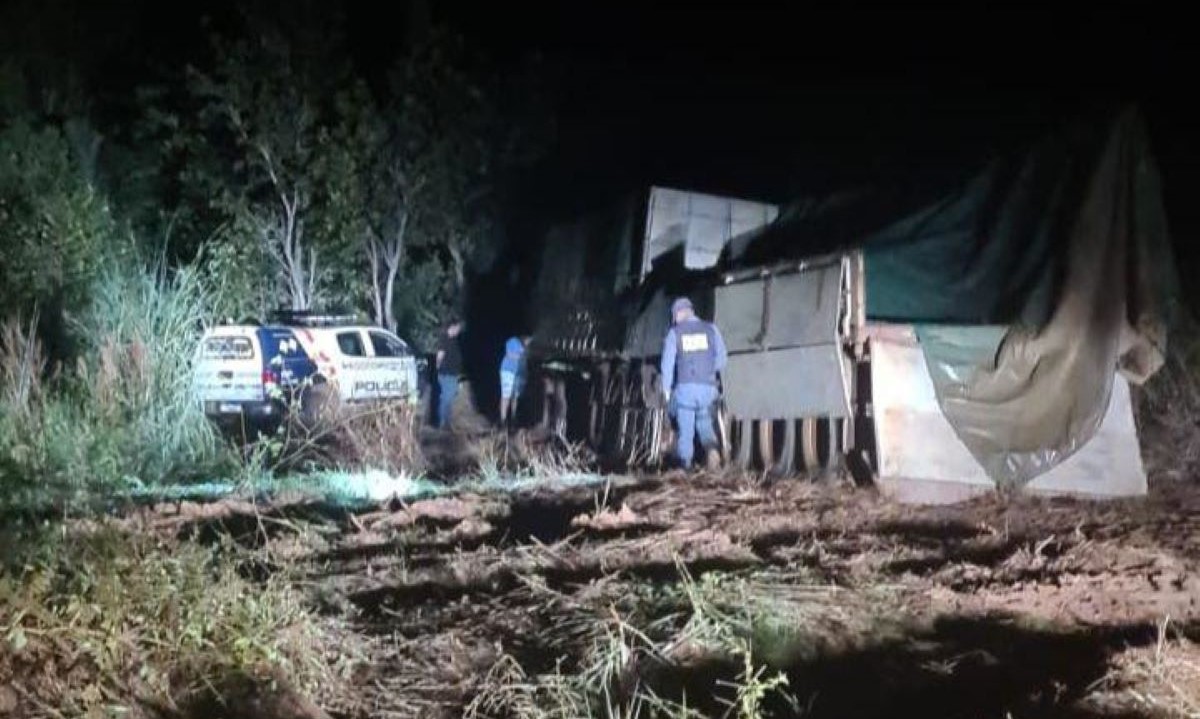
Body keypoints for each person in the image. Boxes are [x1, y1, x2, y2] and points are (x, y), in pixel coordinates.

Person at [660, 297, 727, 469]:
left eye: (674, 316)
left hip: (686, 390)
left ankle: (686, 464)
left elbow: (667, 364)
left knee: (686, 428)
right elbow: (722, 359)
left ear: (678, 314)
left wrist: (666, 390)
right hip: (708, 389)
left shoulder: (675, 333)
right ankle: (712, 449)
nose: (674, 320)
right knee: (704, 421)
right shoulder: (711, 329)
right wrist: (708, 373)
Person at [435, 320, 464, 429]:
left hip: (453, 373)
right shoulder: (444, 339)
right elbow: (440, 355)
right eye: (458, 328)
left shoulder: (454, 340)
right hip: (446, 373)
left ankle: (446, 421)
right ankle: (443, 422)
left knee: (449, 398)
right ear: (452, 327)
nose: (459, 331)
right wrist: (438, 368)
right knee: (446, 398)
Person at [498, 334, 531, 426]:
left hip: (519, 374)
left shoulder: (526, 349)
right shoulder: (512, 341)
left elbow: (525, 362)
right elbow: (510, 354)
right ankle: (503, 420)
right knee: (506, 395)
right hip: (508, 371)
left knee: (515, 396)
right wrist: (521, 354)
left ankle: (513, 417)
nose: (528, 342)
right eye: (528, 340)